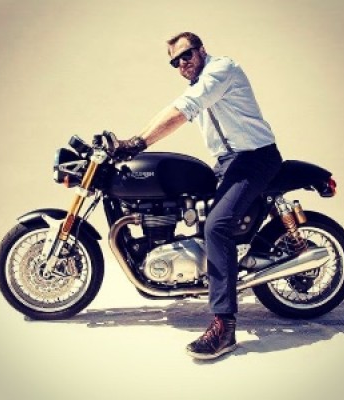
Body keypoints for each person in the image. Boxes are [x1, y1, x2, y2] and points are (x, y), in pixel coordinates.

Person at [118, 32, 283, 360]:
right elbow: (173, 108)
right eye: (175, 62)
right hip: (227, 163)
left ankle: (225, 327)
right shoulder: (195, 86)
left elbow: (183, 110)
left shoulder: (221, 70)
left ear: (201, 50)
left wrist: (139, 142)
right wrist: (129, 142)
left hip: (255, 158)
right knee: (199, 215)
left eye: (187, 54)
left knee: (217, 227)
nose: (182, 63)